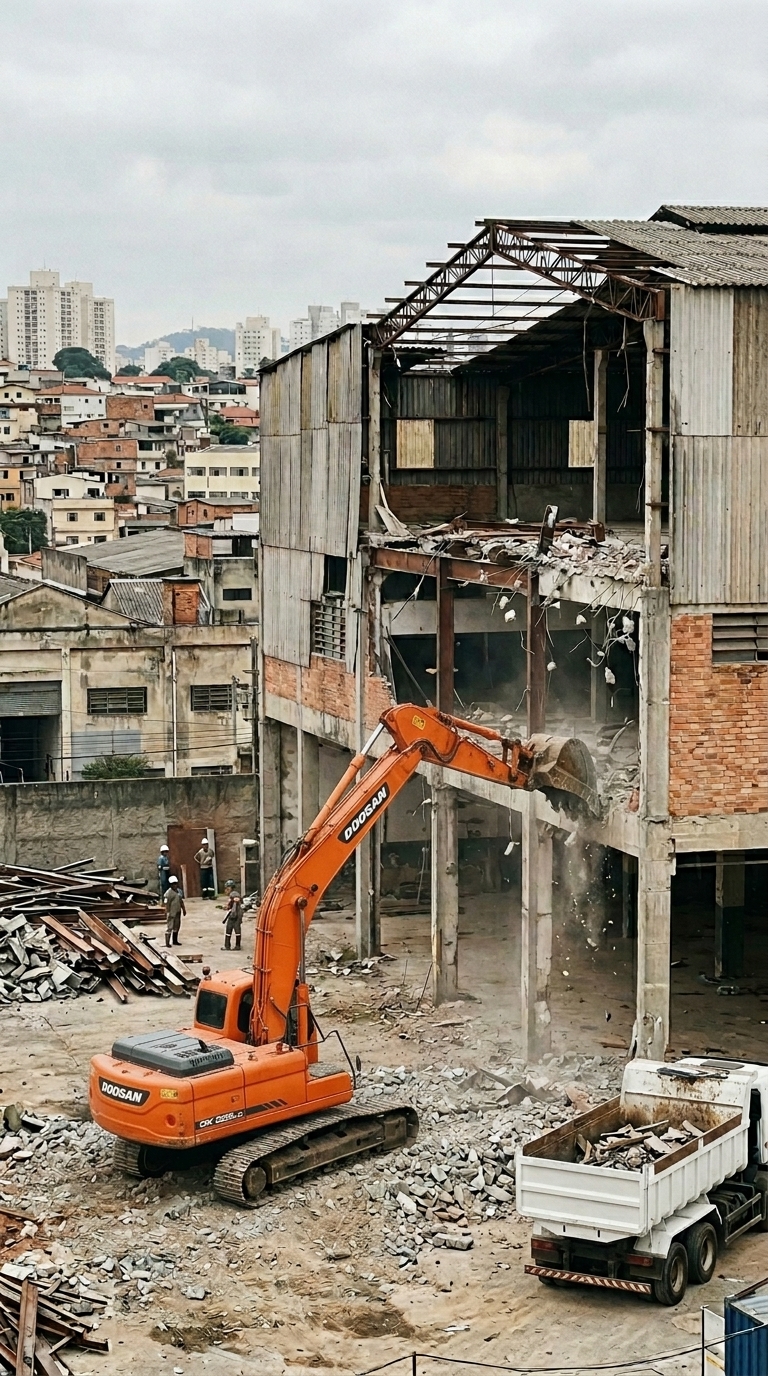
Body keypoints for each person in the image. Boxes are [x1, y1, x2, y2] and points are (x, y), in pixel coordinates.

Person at [163, 875, 186, 947]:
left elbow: (181, 901)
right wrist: (167, 912)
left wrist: (184, 909)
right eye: (173, 884)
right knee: (170, 927)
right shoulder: (168, 893)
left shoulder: (179, 892)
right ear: (170, 885)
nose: (175, 885)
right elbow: (166, 903)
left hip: (178, 912)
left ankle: (175, 941)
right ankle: (167, 943)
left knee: (177, 926)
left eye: (175, 883)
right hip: (171, 913)